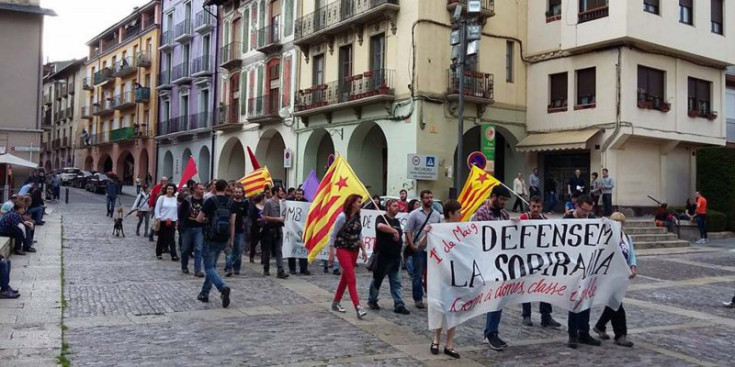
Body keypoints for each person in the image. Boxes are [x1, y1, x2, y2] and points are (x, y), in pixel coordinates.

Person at [474, 185, 511, 351]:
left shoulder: (504, 214)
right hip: (487, 261)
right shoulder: (481, 214)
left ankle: (492, 331)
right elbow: (474, 235)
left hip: (501, 262)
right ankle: (490, 333)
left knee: (499, 298)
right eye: (502, 199)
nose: (504, 203)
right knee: (493, 298)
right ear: (494, 196)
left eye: (505, 200)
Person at [593, 211, 637, 347]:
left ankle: (600, 326)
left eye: (621, 222)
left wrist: (633, 266)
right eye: (616, 222)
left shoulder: (626, 237)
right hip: (609, 274)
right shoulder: (608, 237)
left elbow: (631, 253)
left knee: (614, 304)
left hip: (621, 275)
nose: (619, 225)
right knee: (617, 304)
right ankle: (620, 335)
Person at [518, 196, 562, 328]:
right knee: (526, 287)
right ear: (529, 206)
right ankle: (526, 315)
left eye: (538, 207)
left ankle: (546, 316)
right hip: (525, 259)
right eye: (533, 206)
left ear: (542, 207)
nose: (535, 209)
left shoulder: (545, 220)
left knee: (545, 287)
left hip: (541, 259)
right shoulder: (523, 218)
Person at [564, 194, 602, 349]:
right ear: (577, 205)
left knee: (586, 301)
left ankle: (584, 333)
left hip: (588, 266)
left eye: (589, 211)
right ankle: (572, 335)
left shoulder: (592, 220)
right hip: (572, 267)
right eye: (584, 210)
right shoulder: (567, 220)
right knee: (574, 301)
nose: (586, 213)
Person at [429, 199, 462, 359]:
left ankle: (450, 344)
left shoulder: (461, 229)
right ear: (451, 213)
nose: (461, 214)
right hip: (440, 274)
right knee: (439, 306)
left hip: (455, 274)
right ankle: (436, 339)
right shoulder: (438, 228)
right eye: (458, 212)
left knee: (453, 309)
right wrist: (428, 233)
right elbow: (423, 246)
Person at [195, 179, 234, 308]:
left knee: (208, 267)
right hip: (223, 238)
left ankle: (222, 288)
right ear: (226, 188)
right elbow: (232, 223)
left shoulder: (210, 201)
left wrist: (206, 219)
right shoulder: (230, 202)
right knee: (212, 266)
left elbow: (199, 219)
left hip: (210, 238)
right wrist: (231, 240)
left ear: (215, 187)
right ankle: (204, 293)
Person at [329, 194, 369, 319]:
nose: (360, 204)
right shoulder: (342, 217)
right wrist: (331, 252)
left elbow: (359, 234)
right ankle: (358, 306)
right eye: (358, 201)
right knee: (351, 277)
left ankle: (336, 302)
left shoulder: (357, 217)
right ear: (352, 203)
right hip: (343, 249)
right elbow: (333, 234)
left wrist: (363, 249)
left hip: (354, 249)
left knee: (345, 278)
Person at [367, 199, 410, 315]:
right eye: (394, 206)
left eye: (397, 206)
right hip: (383, 257)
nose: (397, 208)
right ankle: (372, 300)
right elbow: (380, 226)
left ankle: (399, 304)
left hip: (395, 258)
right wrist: (393, 231)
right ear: (388, 207)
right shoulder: (381, 218)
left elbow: (399, 234)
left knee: (396, 282)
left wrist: (396, 233)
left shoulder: (396, 221)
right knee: (377, 280)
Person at [404, 190, 442, 309]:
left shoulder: (436, 215)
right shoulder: (415, 214)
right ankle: (418, 298)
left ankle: (432, 297)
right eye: (427, 197)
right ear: (421, 199)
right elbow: (408, 230)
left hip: (432, 249)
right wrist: (412, 245)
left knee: (433, 275)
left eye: (431, 197)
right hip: (419, 248)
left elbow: (439, 231)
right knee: (418, 274)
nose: (429, 199)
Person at [179, 183, 205, 276]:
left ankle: (197, 270)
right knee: (185, 249)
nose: (202, 191)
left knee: (198, 249)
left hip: (199, 228)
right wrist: (181, 225)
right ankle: (184, 266)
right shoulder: (188, 200)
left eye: (203, 189)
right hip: (188, 227)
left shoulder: (205, 201)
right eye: (200, 189)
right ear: (195, 189)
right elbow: (181, 213)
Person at [262, 186, 289, 278]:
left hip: (279, 228)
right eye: (280, 191)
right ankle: (266, 268)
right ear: (275, 192)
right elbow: (265, 216)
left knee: (279, 250)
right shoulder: (269, 203)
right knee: (268, 250)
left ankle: (280, 270)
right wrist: (277, 218)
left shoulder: (283, 203)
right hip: (270, 228)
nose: (282, 193)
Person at [225, 185, 250, 277]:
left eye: (239, 192)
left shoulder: (245, 204)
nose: (238, 194)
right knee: (229, 250)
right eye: (236, 192)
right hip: (230, 229)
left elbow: (247, 216)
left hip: (240, 230)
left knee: (239, 250)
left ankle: (236, 267)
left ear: (242, 193)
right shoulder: (230, 203)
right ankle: (228, 268)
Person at [287, 190, 311, 275]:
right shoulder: (290, 201)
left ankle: (303, 268)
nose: (298, 195)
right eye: (297, 194)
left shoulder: (307, 203)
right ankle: (292, 269)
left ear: (303, 195)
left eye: (300, 194)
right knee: (291, 250)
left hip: (302, 230)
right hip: (292, 229)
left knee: (303, 250)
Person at [154, 183, 179, 261]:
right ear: (166, 189)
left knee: (172, 238)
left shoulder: (175, 199)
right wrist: (158, 218)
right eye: (168, 189)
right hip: (162, 220)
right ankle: (159, 253)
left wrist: (176, 220)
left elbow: (175, 210)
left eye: (171, 189)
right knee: (161, 238)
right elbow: (157, 209)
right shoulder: (162, 198)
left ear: (174, 190)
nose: (170, 190)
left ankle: (174, 255)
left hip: (172, 221)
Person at [148, 177, 169, 241]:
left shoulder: (169, 188)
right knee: (155, 221)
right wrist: (150, 206)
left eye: (166, 181)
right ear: (161, 181)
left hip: (165, 208)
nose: (165, 182)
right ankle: (151, 234)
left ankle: (161, 235)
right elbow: (152, 197)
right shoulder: (156, 187)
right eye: (164, 181)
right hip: (156, 207)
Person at [249, 193, 265, 264]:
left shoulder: (265, 207)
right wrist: (261, 219)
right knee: (254, 243)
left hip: (264, 227)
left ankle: (263, 258)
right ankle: (251, 256)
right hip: (256, 227)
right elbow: (253, 218)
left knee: (264, 243)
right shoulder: (254, 207)